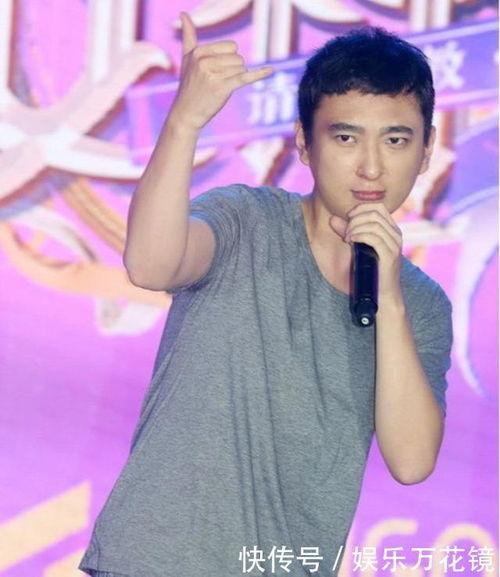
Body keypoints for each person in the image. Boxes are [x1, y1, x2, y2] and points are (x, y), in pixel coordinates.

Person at [79, 12, 453, 577]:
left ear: (425, 151)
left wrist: (391, 297)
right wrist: (184, 121)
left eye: (396, 140)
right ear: (304, 142)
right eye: (346, 137)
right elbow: (150, 265)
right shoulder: (246, 220)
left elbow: (412, 460)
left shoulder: (420, 304)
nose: (371, 167)